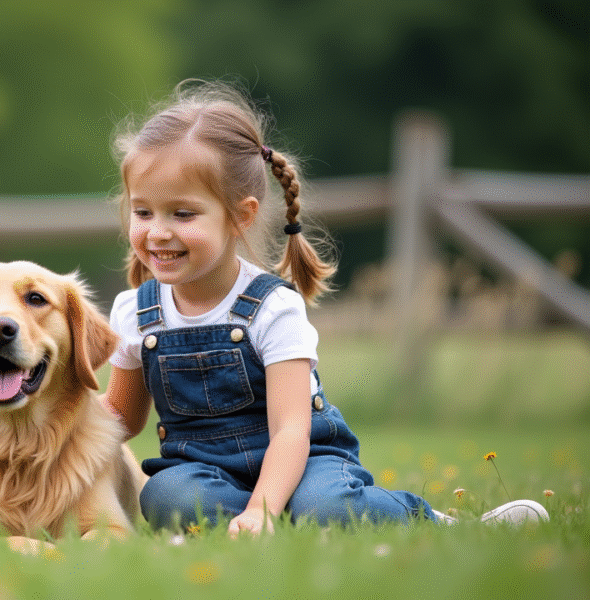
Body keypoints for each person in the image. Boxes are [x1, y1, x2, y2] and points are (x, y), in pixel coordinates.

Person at [101, 79, 547, 536]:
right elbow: (120, 419)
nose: (157, 232)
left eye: (182, 214)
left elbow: (292, 430)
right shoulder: (135, 312)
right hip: (206, 470)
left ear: (242, 215)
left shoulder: (272, 308)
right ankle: (254, 526)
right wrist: (43, 426)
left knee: (327, 507)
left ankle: (433, 520)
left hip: (307, 459)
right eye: (143, 213)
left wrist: (261, 509)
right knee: (167, 497)